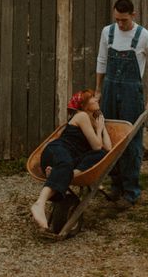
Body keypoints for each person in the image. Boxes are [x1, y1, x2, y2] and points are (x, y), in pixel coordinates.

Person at [95, 0, 148, 207]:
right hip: (109, 90)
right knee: (109, 136)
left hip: (131, 94)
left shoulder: (144, 36)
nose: (121, 24)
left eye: (124, 20)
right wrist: (98, 90)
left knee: (131, 141)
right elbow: (102, 60)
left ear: (133, 15)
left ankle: (131, 190)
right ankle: (116, 186)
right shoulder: (108, 32)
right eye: (117, 19)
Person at [30, 90, 112, 230]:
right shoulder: (81, 116)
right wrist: (98, 131)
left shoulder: (95, 122)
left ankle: (59, 175)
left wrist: (101, 128)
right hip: (57, 151)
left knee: (100, 155)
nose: (96, 99)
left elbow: (109, 149)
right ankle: (39, 203)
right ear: (84, 105)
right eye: (92, 98)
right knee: (68, 162)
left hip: (72, 159)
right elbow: (97, 145)